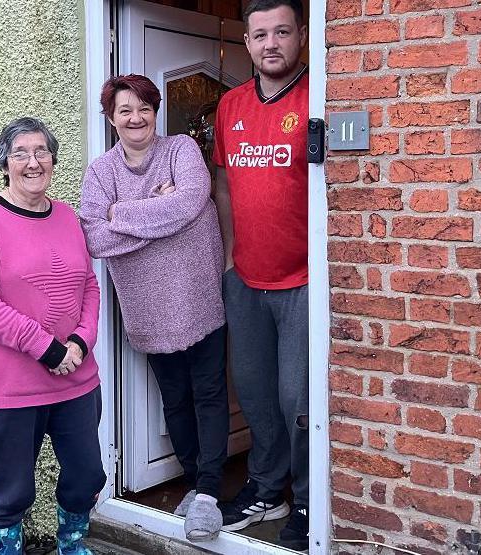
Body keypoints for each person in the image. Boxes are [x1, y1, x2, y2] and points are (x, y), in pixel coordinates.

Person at [79, 74, 229, 542]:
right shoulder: (101, 171)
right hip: (148, 308)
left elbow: (190, 203)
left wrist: (120, 212)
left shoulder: (181, 150)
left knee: (208, 394)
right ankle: (192, 479)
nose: (135, 118)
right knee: (176, 399)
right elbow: (93, 238)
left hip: (199, 296)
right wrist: (155, 211)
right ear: (111, 118)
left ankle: (208, 492)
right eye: (125, 110)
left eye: (143, 108)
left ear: (155, 111)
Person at [0, 117, 106, 555]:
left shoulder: (65, 215)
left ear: (53, 160)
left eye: (42, 152)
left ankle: (72, 545)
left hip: (75, 381)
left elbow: (90, 287)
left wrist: (80, 341)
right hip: (9, 388)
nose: (32, 162)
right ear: (4, 163)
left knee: (86, 476)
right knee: (12, 490)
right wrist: (47, 349)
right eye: (20, 153)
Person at [211, 0, 310, 550]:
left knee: (296, 399)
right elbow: (224, 182)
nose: (270, 43)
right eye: (259, 35)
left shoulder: (318, 96)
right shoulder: (231, 106)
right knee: (253, 391)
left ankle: (307, 498)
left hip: (301, 281)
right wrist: (229, 253)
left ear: (299, 36)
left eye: (281, 32)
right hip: (245, 276)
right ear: (246, 43)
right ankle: (267, 488)